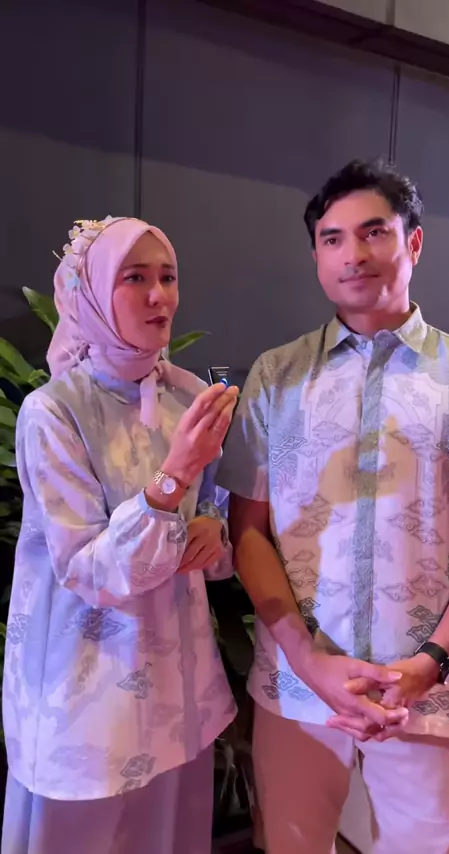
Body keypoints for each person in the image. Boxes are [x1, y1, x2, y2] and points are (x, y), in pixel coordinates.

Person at [217, 160, 449, 854]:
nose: (352, 254)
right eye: (331, 239)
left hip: (428, 693)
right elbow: (248, 531)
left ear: (413, 242)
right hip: (298, 689)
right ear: (315, 256)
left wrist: (428, 663)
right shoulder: (276, 376)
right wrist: (310, 664)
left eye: (373, 232)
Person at [1, 216, 239, 854]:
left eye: (168, 277)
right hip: (87, 688)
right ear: (92, 294)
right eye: (135, 278)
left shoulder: (187, 394)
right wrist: (173, 476)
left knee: (166, 834)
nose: (159, 296)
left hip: (176, 679)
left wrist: (212, 525)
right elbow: (87, 569)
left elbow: (213, 504)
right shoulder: (54, 412)